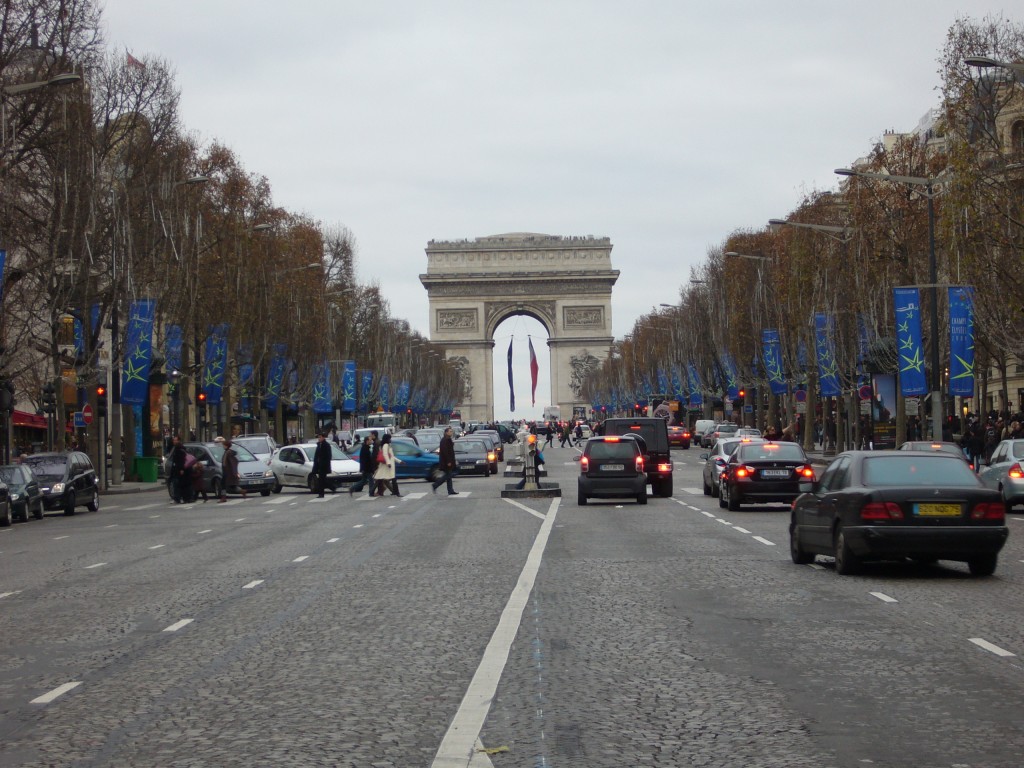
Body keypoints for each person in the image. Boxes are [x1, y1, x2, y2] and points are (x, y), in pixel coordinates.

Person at [432, 426, 458, 495]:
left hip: (448, 461)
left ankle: (450, 490)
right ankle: (435, 485)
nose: (451, 433)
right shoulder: (444, 440)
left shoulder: (448, 439)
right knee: (448, 476)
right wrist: (448, 461)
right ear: (446, 432)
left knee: (449, 476)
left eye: (451, 431)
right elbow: (445, 452)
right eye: (450, 431)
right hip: (446, 462)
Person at [169, 435, 189, 503]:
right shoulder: (175, 448)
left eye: (175, 440)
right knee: (176, 484)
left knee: (178, 484)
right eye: (173, 440)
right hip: (176, 469)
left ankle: (178, 498)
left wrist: (181, 469)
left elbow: (181, 460)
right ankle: (179, 498)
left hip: (179, 469)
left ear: (179, 441)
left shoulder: (179, 449)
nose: (174, 441)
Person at [312, 432, 333, 497]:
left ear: (323, 437)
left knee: (321, 480)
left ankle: (322, 493)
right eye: (318, 437)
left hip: (324, 466)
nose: (319, 438)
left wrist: (324, 463)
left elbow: (328, 456)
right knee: (322, 480)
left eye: (320, 437)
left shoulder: (326, 445)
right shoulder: (318, 445)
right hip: (318, 465)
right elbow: (316, 455)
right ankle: (332, 488)